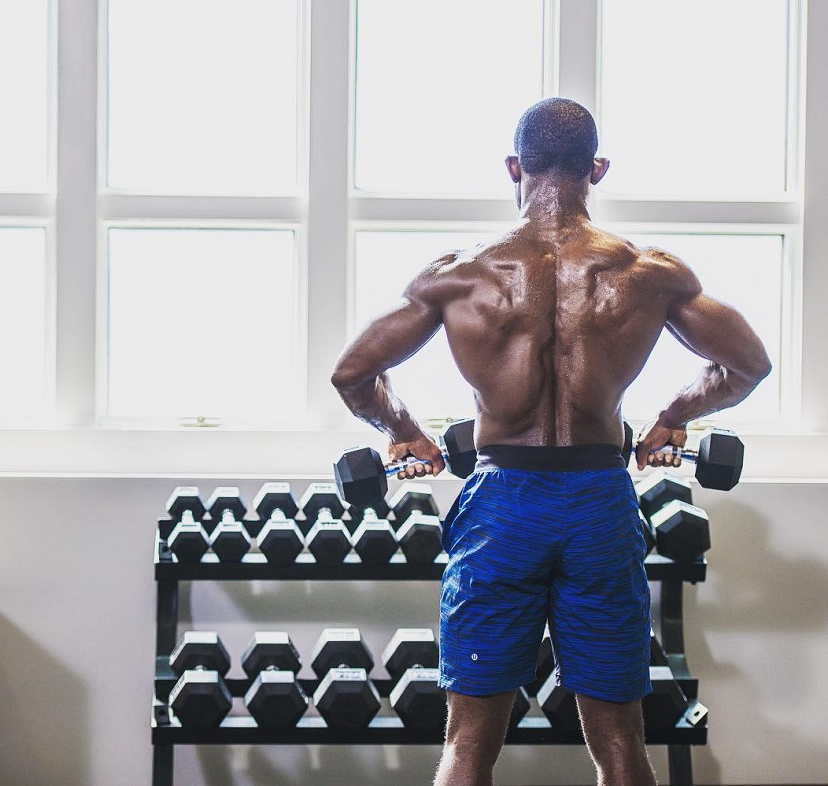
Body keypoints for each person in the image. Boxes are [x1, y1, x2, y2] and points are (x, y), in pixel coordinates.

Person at [330, 97, 771, 786]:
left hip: (502, 505)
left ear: (515, 166)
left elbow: (354, 373)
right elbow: (747, 364)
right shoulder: (648, 274)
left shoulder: (460, 274)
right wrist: (673, 416)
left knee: (468, 742)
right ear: (596, 168)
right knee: (621, 739)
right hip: (598, 502)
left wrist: (406, 435)